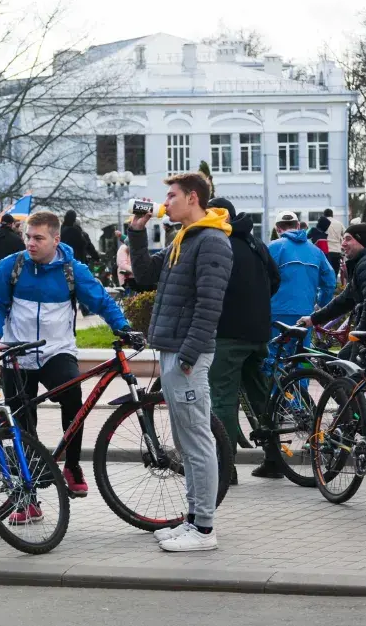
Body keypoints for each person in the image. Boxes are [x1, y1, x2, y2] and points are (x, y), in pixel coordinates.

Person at [0, 211, 130, 508]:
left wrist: (123, 327)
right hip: (17, 354)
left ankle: (72, 465)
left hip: (56, 351)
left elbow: (101, 300)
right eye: (28, 237)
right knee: (22, 423)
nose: (31, 243)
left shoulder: (72, 270)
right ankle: (28, 496)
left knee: (73, 399)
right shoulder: (10, 266)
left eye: (38, 238)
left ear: (56, 239)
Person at [128, 172, 232, 553]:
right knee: (187, 444)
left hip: (187, 356)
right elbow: (145, 275)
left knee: (197, 442)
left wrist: (187, 358)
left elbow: (210, 306)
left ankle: (204, 529)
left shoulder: (212, 242)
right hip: (174, 351)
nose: (165, 202)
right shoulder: (185, 238)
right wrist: (137, 231)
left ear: (192, 198)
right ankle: (191, 519)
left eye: (171, 196)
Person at [206, 198, 280, 484]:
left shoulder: (219, 244)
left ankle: (226, 467)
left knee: (222, 399)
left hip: (227, 334)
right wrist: (256, 304)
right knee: (261, 396)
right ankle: (274, 459)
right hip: (258, 332)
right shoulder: (255, 243)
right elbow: (275, 279)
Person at [298, 222, 366, 361]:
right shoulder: (363, 263)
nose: (343, 244)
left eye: (348, 239)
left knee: (350, 369)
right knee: (345, 361)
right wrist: (313, 319)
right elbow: (344, 301)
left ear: (361, 241)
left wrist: (359, 334)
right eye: (343, 239)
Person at [269, 210, 336, 354]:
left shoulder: (273, 247)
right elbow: (330, 282)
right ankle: (302, 377)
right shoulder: (316, 251)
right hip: (306, 314)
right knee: (301, 356)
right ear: (298, 225)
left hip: (276, 312)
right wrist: (321, 305)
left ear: (277, 229)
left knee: (275, 356)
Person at [324, 208, 345, 274]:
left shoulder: (322, 224)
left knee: (327, 272)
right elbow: (345, 234)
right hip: (336, 250)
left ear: (324, 215)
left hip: (325, 251)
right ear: (332, 215)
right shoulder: (339, 223)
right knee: (335, 271)